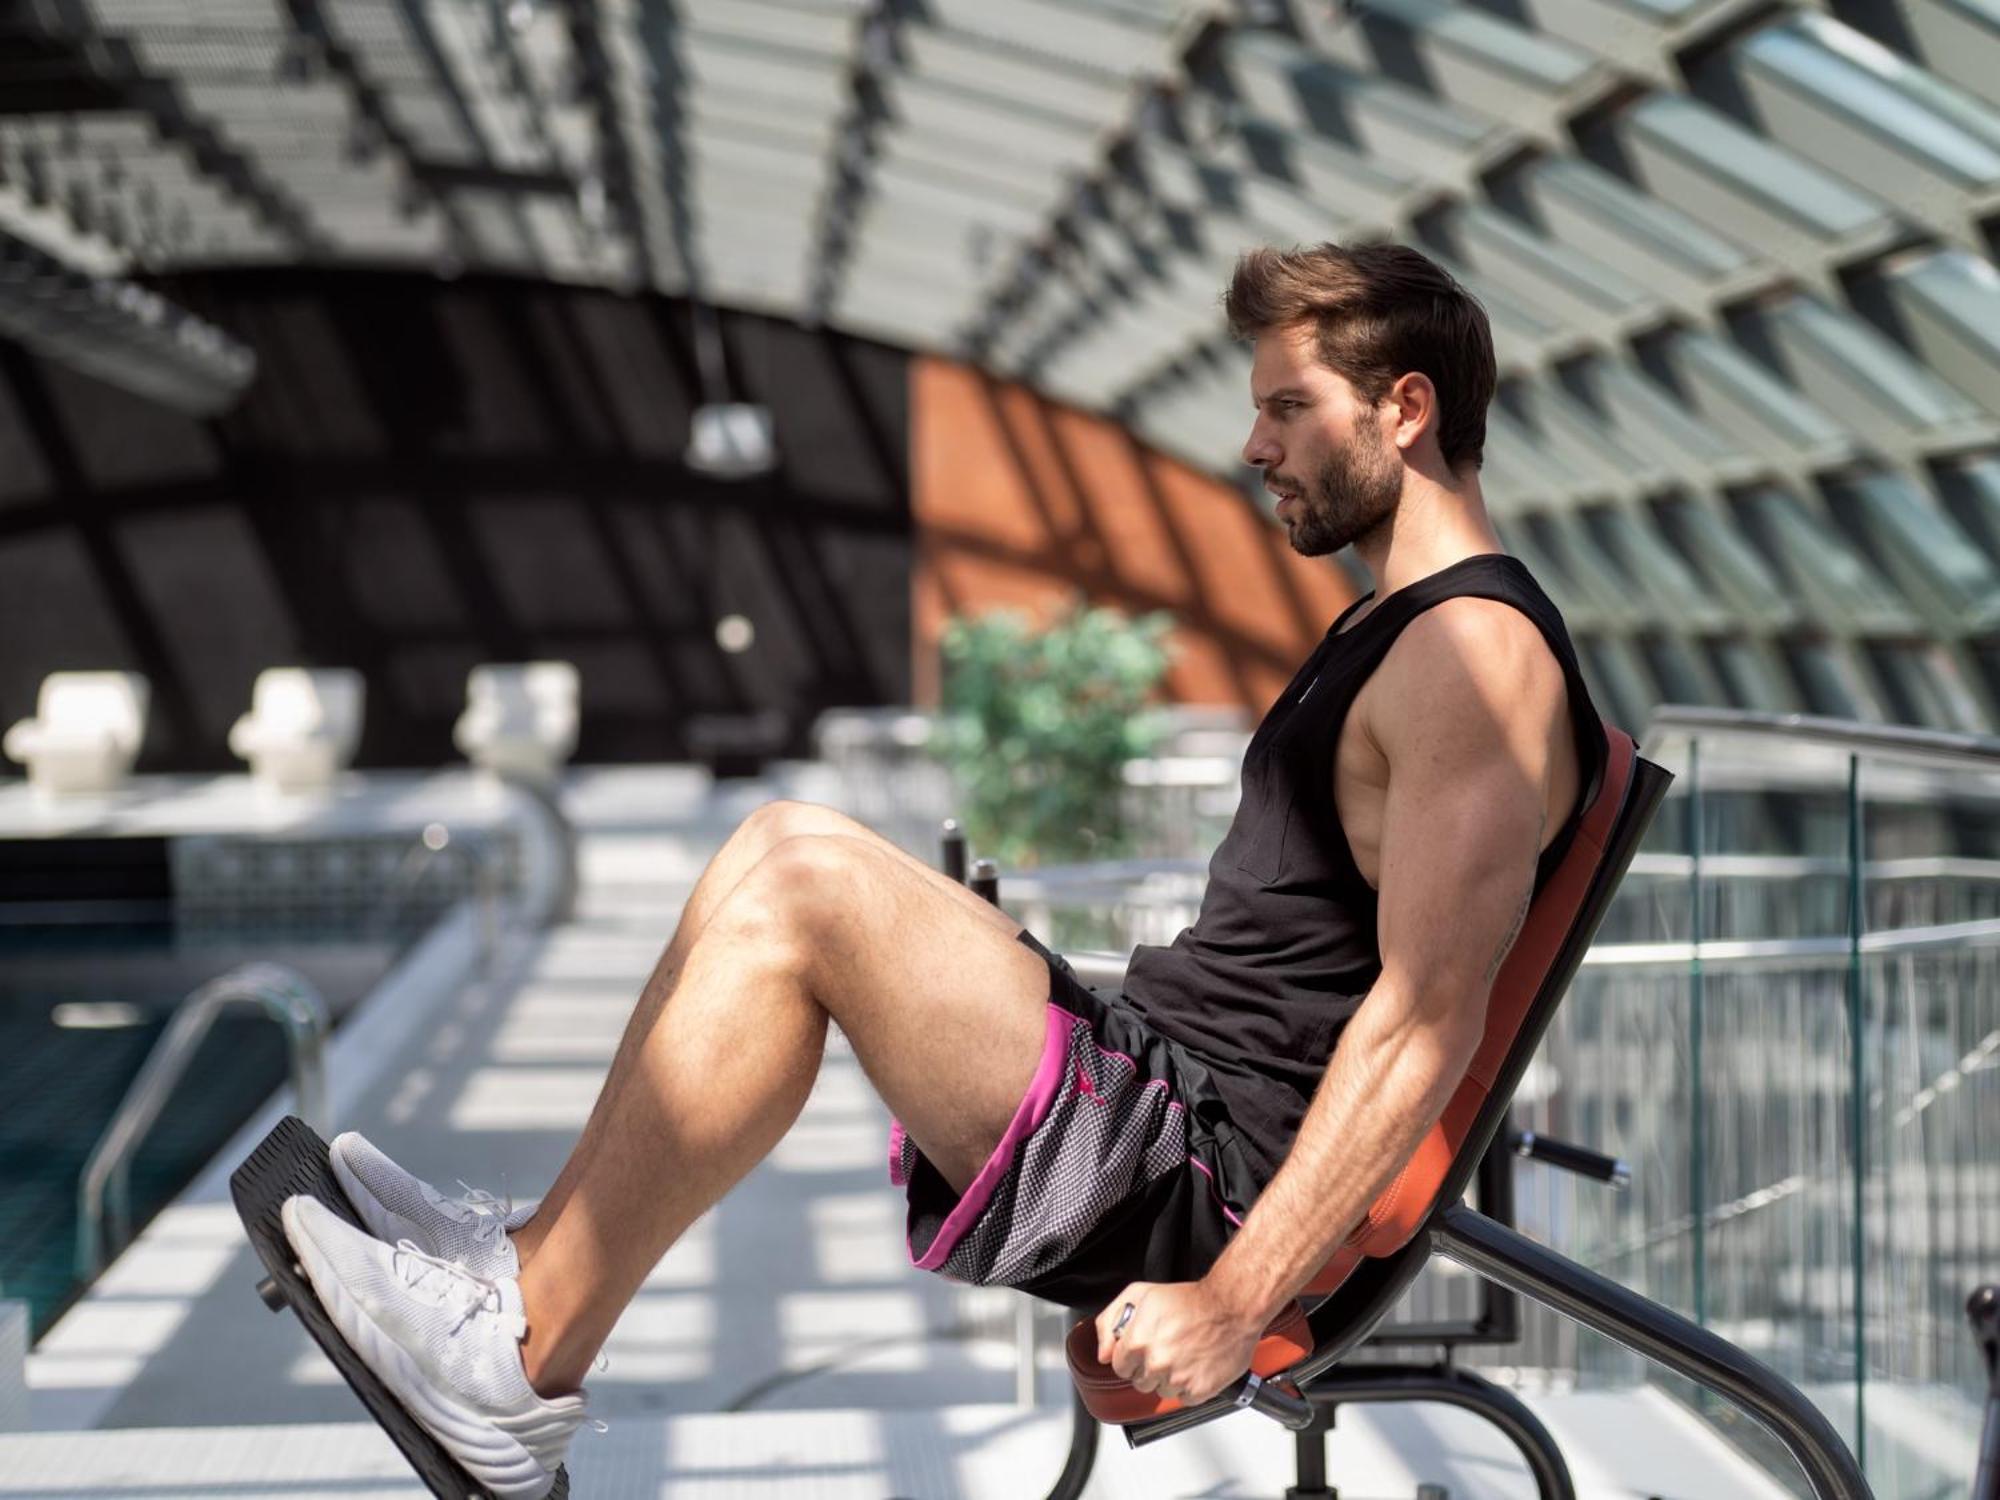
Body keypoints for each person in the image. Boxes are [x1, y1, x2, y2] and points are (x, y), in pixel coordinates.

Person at [278, 240, 1606, 1500]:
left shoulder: (1473, 659)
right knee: (778, 846)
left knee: (808, 886)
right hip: (1158, 1086)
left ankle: (516, 1365)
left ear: (1407, 410)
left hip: (1198, 1173)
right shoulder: (1402, 629)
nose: (1255, 445)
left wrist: (1237, 1297)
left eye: (1288, 407)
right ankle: (520, 1272)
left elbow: (1423, 1021)